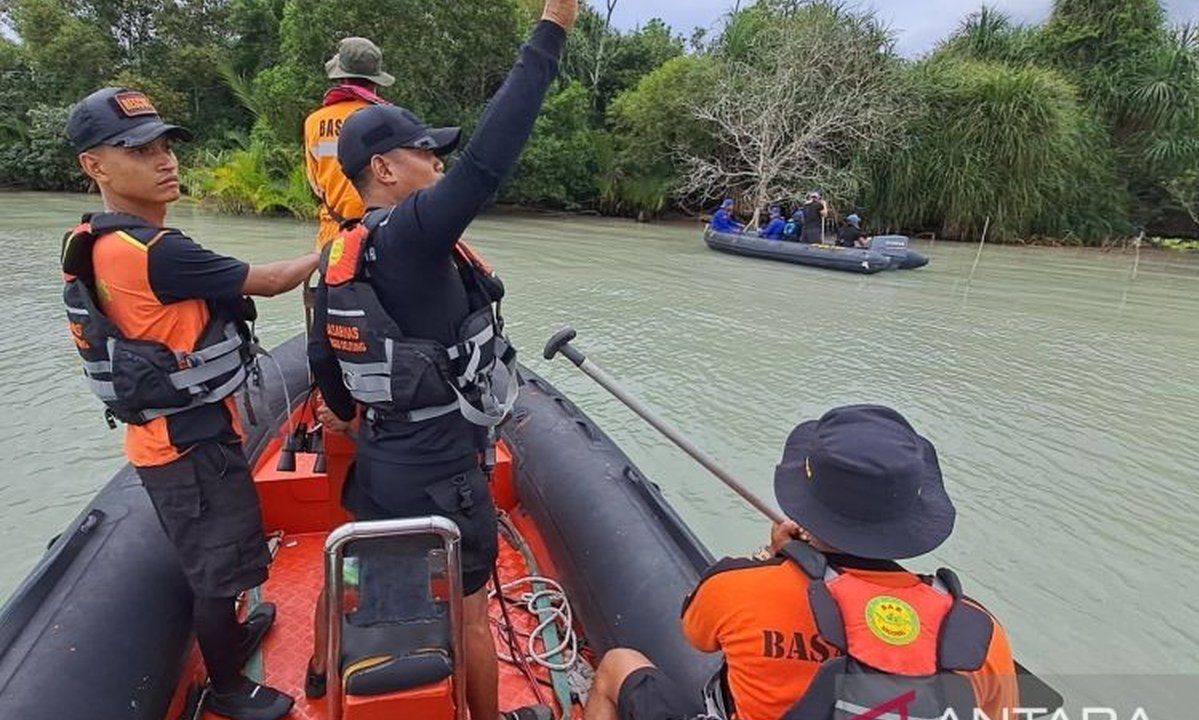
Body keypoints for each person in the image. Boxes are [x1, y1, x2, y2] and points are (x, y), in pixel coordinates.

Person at [305, 2, 579, 719]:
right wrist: (552, 28)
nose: (440, 162)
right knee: (469, 615)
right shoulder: (414, 235)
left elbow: (330, 380)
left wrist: (362, 425)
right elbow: (491, 157)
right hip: (444, 479)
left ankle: (314, 673)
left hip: (381, 466)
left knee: (356, 583)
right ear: (386, 169)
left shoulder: (337, 257)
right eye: (428, 152)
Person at [61, 88, 320, 720]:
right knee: (221, 569)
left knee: (222, 549)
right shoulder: (156, 252)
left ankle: (232, 639)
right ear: (95, 167)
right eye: (140, 151)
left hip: (174, 432)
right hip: (187, 443)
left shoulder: (94, 239)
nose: (164, 161)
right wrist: (336, 247)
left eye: (165, 146)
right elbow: (272, 280)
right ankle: (229, 687)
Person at [584, 406, 1019, 720]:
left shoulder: (740, 589)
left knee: (619, 665)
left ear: (808, 505)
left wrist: (771, 557)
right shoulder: (981, 634)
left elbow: (697, 635)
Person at [304, 37, 395, 251]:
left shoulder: (314, 121)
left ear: (341, 78)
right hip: (381, 235)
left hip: (333, 236)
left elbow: (317, 185)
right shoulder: (390, 119)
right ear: (376, 79)